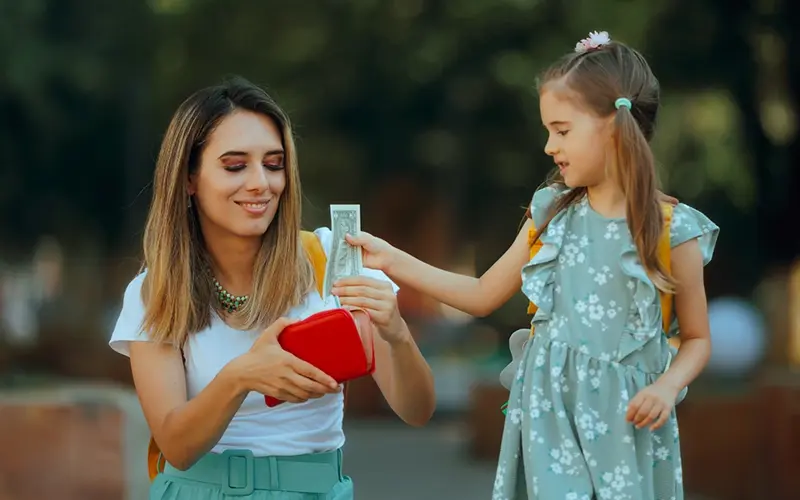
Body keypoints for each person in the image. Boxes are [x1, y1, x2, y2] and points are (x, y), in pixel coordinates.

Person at [336, 31, 718, 499]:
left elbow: (697, 339)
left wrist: (666, 387)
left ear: (614, 128)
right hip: (550, 422)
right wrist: (391, 259)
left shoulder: (672, 229)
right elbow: (480, 295)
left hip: (626, 426)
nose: (548, 146)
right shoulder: (550, 213)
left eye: (561, 130)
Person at [108, 76, 436, 500]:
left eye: (274, 163)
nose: (261, 182)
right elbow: (177, 446)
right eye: (235, 165)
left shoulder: (332, 259)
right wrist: (241, 376)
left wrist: (396, 334)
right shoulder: (155, 291)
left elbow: (417, 411)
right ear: (189, 178)